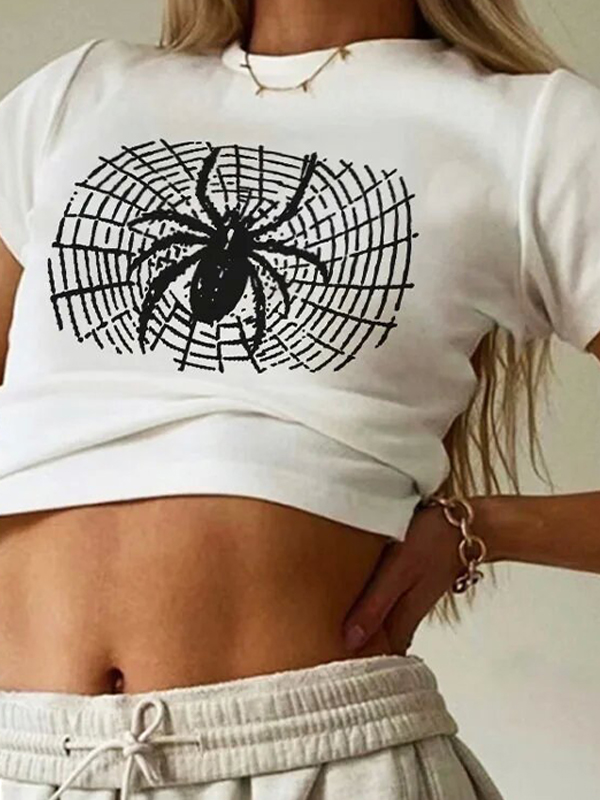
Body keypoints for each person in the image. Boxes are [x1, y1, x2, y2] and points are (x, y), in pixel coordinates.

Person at [0, 0, 599, 797]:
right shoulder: (75, 95)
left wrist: (484, 527)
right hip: (25, 756)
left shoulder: (531, 132)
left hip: (316, 762)